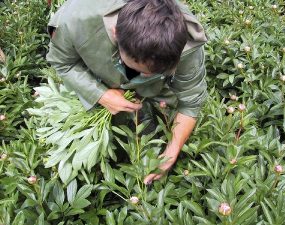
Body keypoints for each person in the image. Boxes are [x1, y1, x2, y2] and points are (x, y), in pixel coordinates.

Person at [46, 0, 208, 185]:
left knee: (158, 122)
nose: (144, 76)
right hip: (95, 52)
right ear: (116, 34)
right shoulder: (76, 20)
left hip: (158, 87)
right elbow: (63, 62)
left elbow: (191, 101)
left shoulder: (185, 40)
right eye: (141, 70)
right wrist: (100, 94)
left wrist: (172, 151)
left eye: (153, 73)